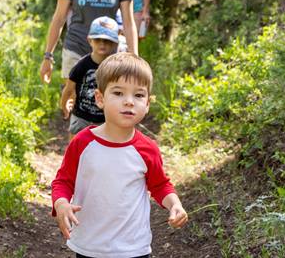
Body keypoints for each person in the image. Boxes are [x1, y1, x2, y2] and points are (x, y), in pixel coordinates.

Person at [51, 53, 188, 258]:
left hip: (133, 247)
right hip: (90, 245)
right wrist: (61, 204)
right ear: (100, 98)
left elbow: (160, 185)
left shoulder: (147, 149)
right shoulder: (82, 143)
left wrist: (175, 204)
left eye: (139, 95)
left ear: (148, 103)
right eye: (118, 93)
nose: (129, 102)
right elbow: (63, 181)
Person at [39, 0, 138, 85]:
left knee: (105, 96)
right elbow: (59, 18)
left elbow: (128, 22)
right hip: (76, 48)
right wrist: (48, 56)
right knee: (72, 96)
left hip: (107, 52)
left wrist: (135, 60)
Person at [60, 16, 119, 139]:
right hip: (81, 115)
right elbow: (69, 88)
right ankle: (72, 158)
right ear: (90, 40)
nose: (102, 44)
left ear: (114, 43)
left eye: (107, 40)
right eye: (98, 40)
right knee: (76, 142)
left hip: (105, 118)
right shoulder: (82, 65)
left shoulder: (116, 66)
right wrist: (63, 105)